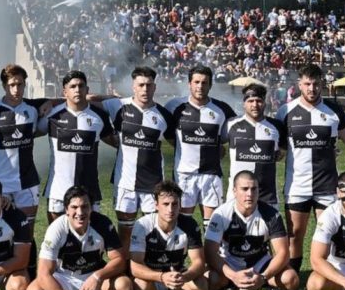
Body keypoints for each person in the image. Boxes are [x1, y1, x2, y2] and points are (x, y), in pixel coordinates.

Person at [25, 186, 132, 290]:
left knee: (124, 286)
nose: (80, 212)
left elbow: (119, 260)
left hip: (94, 277)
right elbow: (43, 274)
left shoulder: (102, 223)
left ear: (91, 208)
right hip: (64, 277)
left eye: (84, 206)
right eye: (74, 207)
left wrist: (97, 276)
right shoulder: (56, 228)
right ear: (66, 210)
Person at [276, 64, 345, 278]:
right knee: (295, 235)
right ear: (299, 85)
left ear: (322, 84)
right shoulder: (285, 111)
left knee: (329, 234)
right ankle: (293, 280)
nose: (312, 88)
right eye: (307, 84)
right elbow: (279, 149)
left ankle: (330, 281)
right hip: (297, 186)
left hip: (327, 186)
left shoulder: (334, 111)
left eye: (316, 84)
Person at [0, 64, 49, 280]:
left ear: (25, 84)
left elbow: (54, 106)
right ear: (4, 86)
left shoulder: (32, 110)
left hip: (27, 181)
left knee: (27, 231)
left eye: (20, 84)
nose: (16, 89)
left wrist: (47, 103)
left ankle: (30, 276)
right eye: (12, 85)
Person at [204, 171, 299, 290]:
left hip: (259, 264)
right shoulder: (221, 214)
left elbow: (283, 253)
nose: (249, 194)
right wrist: (233, 275)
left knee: (291, 279)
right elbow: (210, 252)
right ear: (234, 191)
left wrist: (263, 277)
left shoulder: (271, 214)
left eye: (254, 189)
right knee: (207, 279)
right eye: (244, 189)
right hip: (230, 264)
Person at [101, 66, 175, 255]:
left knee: (153, 231)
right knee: (125, 232)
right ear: (133, 86)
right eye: (141, 85)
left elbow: (178, 144)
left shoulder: (163, 115)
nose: (145, 89)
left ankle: (151, 266)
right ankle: (126, 268)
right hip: (125, 183)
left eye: (149, 85)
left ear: (155, 87)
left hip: (153, 184)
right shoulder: (118, 106)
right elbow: (88, 102)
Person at [122, 180, 207, 290]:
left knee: (201, 284)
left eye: (175, 204)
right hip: (151, 280)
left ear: (180, 205)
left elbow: (199, 262)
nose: (170, 209)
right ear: (156, 205)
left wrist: (184, 276)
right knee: (139, 284)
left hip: (177, 280)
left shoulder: (189, 224)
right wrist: (161, 277)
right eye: (165, 204)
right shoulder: (143, 225)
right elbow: (135, 266)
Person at [38, 70, 117, 222]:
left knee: (91, 235)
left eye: (81, 86)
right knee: (58, 234)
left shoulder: (99, 116)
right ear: (65, 91)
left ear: (87, 89)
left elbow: (115, 142)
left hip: (89, 189)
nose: (77, 90)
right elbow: (30, 134)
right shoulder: (52, 115)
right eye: (72, 86)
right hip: (58, 190)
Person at [165, 65, 236, 228]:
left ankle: (209, 246)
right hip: (184, 174)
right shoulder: (174, 106)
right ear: (189, 84)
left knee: (212, 226)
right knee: (183, 224)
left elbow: (232, 133)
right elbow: (169, 135)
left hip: (211, 174)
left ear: (210, 85)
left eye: (204, 82)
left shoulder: (222, 109)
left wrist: (218, 147)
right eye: (196, 82)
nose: (200, 86)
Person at [226, 83, 286, 207]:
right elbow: (216, 143)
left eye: (259, 101)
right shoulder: (230, 124)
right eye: (250, 101)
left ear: (264, 102)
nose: (255, 105)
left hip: (267, 196)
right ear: (244, 103)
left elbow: (283, 151)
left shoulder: (277, 126)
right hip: (236, 196)